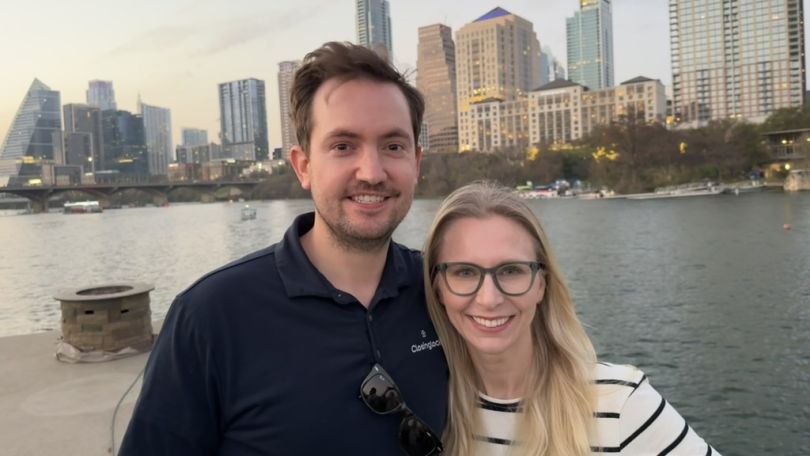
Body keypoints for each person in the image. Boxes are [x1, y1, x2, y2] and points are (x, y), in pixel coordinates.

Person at [119, 42, 447, 455]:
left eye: (393, 146)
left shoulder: (446, 291)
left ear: (416, 163)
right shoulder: (209, 317)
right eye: (343, 146)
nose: (372, 172)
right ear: (304, 166)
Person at [422, 181, 720, 455]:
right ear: (437, 288)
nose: (489, 299)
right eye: (464, 272)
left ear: (542, 284)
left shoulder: (620, 404)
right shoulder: (429, 409)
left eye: (511, 271)